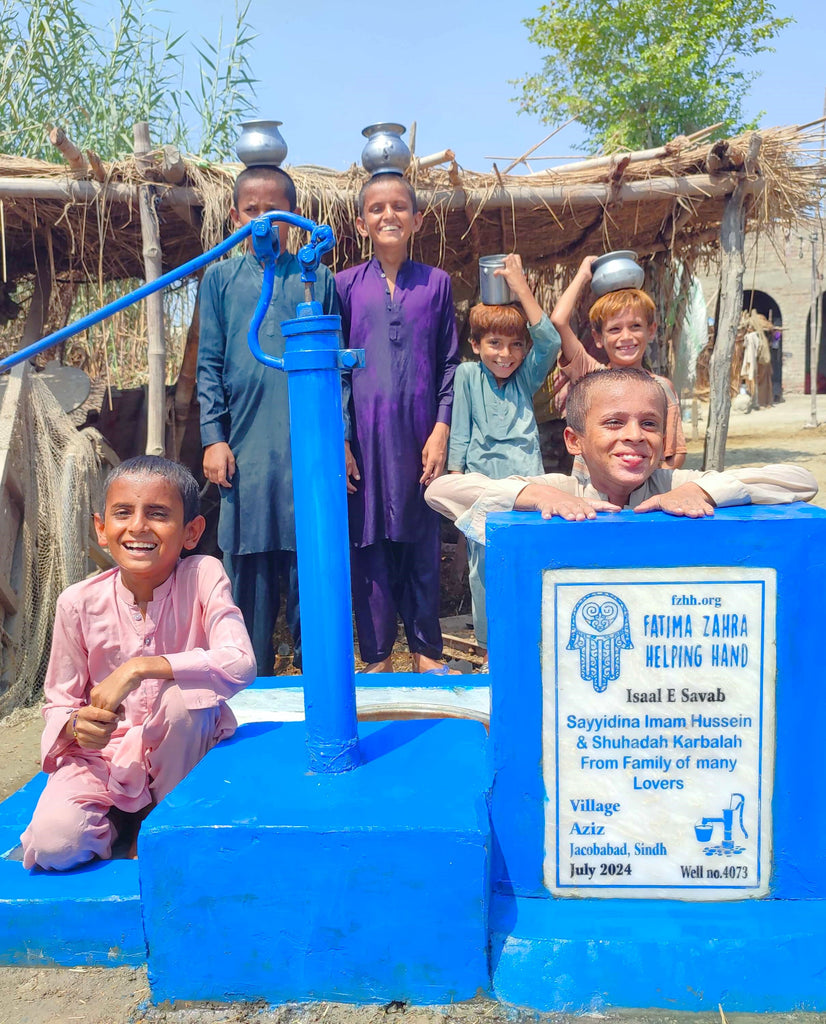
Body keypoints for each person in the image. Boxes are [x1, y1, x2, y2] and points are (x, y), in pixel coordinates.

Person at [21, 456, 256, 871]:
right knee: (55, 844)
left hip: (182, 750)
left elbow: (239, 662)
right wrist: (80, 726)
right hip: (105, 759)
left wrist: (137, 669)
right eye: (123, 513)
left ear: (191, 532)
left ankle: (160, 819)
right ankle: (118, 824)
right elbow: (59, 701)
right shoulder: (77, 603)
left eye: (158, 514)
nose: (138, 527)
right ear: (101, 528)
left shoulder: (203, 575)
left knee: (185, 698)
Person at [197, 165, 340, 674]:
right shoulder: (220, 278)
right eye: (251, 212)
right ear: (235, 217)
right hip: (248, 448)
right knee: (250, 565)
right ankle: (247, 678)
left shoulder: (316, 277)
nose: (262, 223)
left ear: (294, 220)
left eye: (273, 213)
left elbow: (336, 366)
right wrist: (214, 437)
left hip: (308, 445)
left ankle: (317, 673)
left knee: (312, 558)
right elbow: (209, 364)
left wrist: (338, 439)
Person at [425, 367, 817, 548]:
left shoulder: (675, 486)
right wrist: (539, 497)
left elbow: (801, 480)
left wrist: (705, 490)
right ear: (574, 441)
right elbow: (441, 490)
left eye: (649, 423)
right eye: (614, 422)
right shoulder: (562, 491)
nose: (634, 436)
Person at [336, 173, 460, 674]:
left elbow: (449, 362)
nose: (389, 215)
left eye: (399, 207)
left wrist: (441, 429)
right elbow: (337, 370)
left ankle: (427, 654)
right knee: (369, 549)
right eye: (377, 208)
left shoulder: (437, 283)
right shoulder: (343, 286)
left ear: (417, 218)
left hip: (418, 437)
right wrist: (342, 438)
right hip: (364, 441)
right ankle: (378, 656)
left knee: (421, 543)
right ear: (362, 221)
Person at [447, 253, 561, 666]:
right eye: (494, 343)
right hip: (484, 490)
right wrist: (456, 484)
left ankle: (535, 644)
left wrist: (521, 288)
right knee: (483, 569)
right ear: (475, 346)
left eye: (515, 345)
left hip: (529, 487)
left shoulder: (525, 378)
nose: (505, 354)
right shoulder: (467, 376)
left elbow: (550, 341)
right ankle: (494, 650)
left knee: (530, 558)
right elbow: (459, 434)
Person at [551, 256, 686, 469]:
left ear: (651, 330)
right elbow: (559, 320)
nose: (626, 337)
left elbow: (674, 454)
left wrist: (643, 485)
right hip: (594, 497)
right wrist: (583, 275)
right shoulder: (591, 375)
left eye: (635, 326)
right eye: (614, 329)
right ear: (597, 337)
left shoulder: (662, 388)